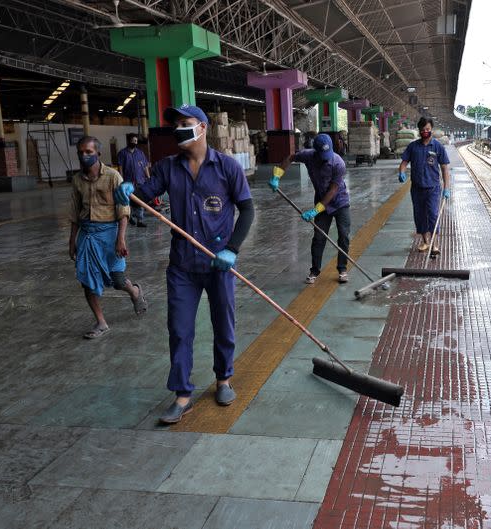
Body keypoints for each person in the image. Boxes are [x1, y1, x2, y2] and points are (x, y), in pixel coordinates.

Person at [115, 104, 255, 424]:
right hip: (182, 265)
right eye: (176, 124)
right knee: (179, 329)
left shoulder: (227, 168)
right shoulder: (167, 168)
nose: (179, 129)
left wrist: (232, 250)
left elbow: (247, 211)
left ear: (202, 128)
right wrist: (128, 190)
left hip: (218, 263)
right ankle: (182, 394)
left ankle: (223, 379)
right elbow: (146, 192)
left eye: (185, 123)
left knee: (224, 324)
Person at [68, 136, 147, 339]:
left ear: (98, 154)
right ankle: (101, 322)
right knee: (87, 280)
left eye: (89, 152)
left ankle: (135, 291)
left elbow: (123, 211)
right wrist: (72, 241)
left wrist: (121, 239)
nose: (84, 155)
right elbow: (75, 212)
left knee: (118, 280)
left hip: (110, 234)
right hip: (87, 235)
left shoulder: (113, 176)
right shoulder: (77, 180)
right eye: (81, 152)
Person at [270, 133, 350, 284]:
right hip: (321, 198)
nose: (325, 158)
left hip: (340, 202)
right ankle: (314, 271)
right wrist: (277, 175)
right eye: (322, 155)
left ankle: (342, 269)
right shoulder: (308, 156)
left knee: (344, 236)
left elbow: (333, 190)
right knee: (319, 237)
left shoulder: (338, 163)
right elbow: (290, 158)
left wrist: (315, 210)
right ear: (316, 151)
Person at [397, 117, 451, 255]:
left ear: (431, 129)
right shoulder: (413, 146)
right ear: (419, 131)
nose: (425, 131)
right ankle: (425, 241)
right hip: (417, 188)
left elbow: (445, 168)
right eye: (423, 130)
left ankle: (435, 244)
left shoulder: (438, 146)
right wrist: (401, 172)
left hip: (433, 188)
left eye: (427, 129)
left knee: (433, 215)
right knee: (419, 216)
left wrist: (446, 188)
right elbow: (404, 162)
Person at [116, 133, 151, 227]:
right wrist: (121, 180)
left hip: (140, 181)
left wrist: (148, 177)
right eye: (133, 141)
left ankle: (140, 220)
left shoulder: (140, 153)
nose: (134, 142)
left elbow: (145, 166)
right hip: (128, 182)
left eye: (136, 141)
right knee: (128, 201)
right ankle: (130, 216)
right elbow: (120, 167)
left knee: (140, 201)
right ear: (129, 141)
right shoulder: (122, 153)